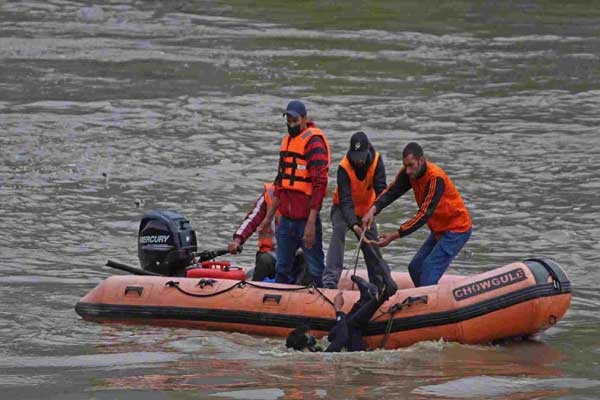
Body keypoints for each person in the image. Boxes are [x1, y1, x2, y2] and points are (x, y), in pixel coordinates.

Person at [362, 142, 472, 287]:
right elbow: (391, 191)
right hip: (439, 229)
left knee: (428, 269)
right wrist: (372, 210)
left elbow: (424, 214)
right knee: (415, 267)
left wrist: (395, 234)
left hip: (456, 229)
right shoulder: (409, 174)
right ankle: (423, 300)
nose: (407, 171)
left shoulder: (435, 178)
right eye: (405, 165)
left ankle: (430, 304)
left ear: (421, 161)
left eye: (410, 165)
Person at [257, 100, 330, 287]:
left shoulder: (313, 143)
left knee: (315, 268)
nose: (291, 124)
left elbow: (319, 185)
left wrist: (312, 223)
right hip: (286, 221)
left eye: (295, 120)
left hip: (306, 220)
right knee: (282, 268)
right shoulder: (287, 142)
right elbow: (280, 184)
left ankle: (322, 306)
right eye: (288, 120)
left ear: (304, 119)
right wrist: (267, 219)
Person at [323, 132, 397, 298]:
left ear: (368, 151)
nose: (358, 161)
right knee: (339, 232)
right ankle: (329, 281)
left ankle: (380, 284)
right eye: (355, 157)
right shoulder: (344, 167)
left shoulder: (377, 161)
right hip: (342, 209)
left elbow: (381, 191)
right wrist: (355, 226)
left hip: (367, 211)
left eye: (361, 157)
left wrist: (373, 212)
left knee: (371, 246)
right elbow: (346, 201)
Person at [227, 182, 309, 284]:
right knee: (264, 260)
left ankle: (303, 291)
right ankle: (255, 292)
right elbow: (252, 219)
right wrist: (237, 240)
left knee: (309, 260)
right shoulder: (269, 195)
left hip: (297, 253)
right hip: (271, 252)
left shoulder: (307, 194)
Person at [286, 275, 387, 352]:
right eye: (309, 338)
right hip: (356, 349)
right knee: (351, 327)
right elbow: (342, 338)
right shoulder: (326, 356)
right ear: (304, 347)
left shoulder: (320, 351)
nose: (313, 339)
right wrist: (338, 309)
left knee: (336, 331)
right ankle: (382, 296)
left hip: (351, 345)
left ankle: (365, 297)